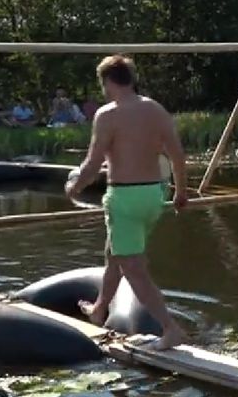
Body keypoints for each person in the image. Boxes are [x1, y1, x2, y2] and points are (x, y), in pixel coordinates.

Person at [65, 54, 190, 351]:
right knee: (115, 253)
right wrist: (181, 192)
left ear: (107, 82)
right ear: (131, 79)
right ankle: (99, 309)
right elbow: (176, 155)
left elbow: (94, 162)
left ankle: (170, 328)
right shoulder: (156, 109)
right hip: (154, 194)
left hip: (126, 198)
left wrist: (73, 187)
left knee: (133, 267)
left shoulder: (108, 114)